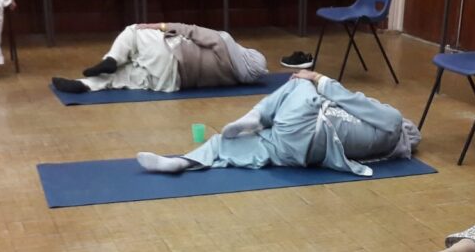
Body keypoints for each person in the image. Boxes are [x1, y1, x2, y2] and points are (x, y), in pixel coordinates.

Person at [136, 70, 421, 177]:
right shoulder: (378, 141)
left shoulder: (392, 122)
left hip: (310, 130)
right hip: (298, 152)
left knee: (299, 83)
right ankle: (181, 162)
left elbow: (347, 97)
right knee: (226, 143)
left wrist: (319, 78)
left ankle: (257, 115)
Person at [51, 23, 268, 94]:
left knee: (133, 32)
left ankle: (112, 58)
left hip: (170, 54)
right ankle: (85, 85)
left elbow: (189, 30)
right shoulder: (233, 78)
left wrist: (157, 26)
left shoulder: (225, 43)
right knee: (125, 78)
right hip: (172, 82)